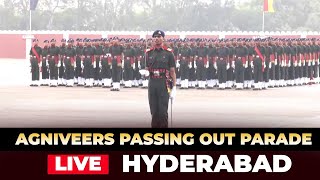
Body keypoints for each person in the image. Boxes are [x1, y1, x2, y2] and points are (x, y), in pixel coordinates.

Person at [144, 30, 177, 128]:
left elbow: (172, 71)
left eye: (159, 36)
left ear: (163, 38)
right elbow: (146, 68)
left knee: (163, 112)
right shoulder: (148, 53)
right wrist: (145, 73)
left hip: (164, 83)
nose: (156, 38)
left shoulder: (168, 53)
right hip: (152, 82)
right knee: (154, 112)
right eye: (155, 37)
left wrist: (174, 87)